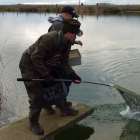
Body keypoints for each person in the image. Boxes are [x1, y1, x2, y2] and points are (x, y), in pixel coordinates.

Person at [19, 18, 82, 135]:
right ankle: (33, 123)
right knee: (36, 95)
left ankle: (59, 106)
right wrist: (46, 74)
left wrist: (73, 75)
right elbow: (35, 57)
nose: (76, 38)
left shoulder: (67, 43)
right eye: (75, 35)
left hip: (44, 62)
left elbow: (64, 62)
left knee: (61, 80)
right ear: (69, 33)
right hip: (29, 63)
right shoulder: (50, 38)